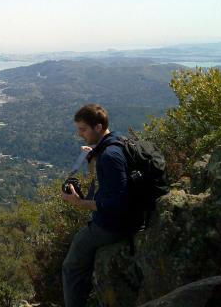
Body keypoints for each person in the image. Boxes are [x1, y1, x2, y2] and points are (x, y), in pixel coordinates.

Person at [61, 103, 129, 307]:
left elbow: (116, 203)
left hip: (112, 225)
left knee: (70, 267)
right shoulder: (118, 141)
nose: (80, 135)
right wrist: (92, 156)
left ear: (98, 127)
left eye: (83, 130)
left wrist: (80, 203)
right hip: (126, 219)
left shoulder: (109, 156)